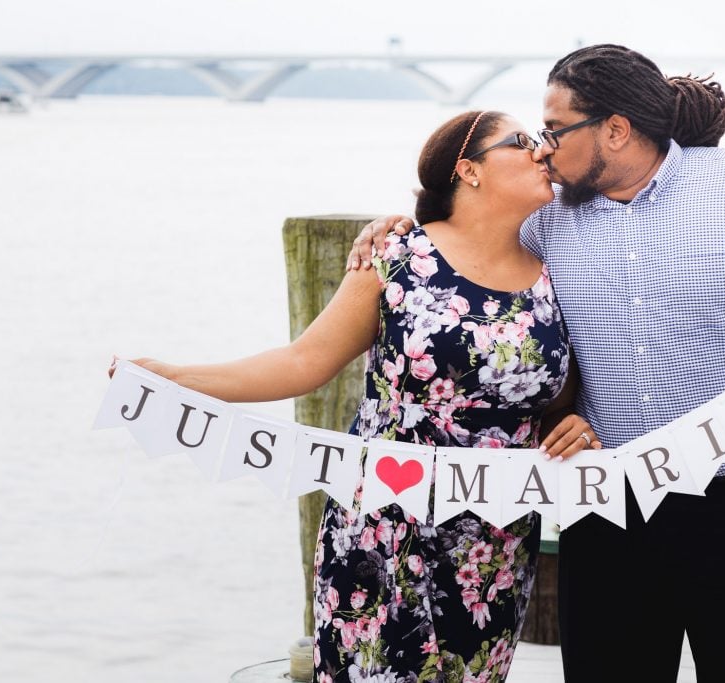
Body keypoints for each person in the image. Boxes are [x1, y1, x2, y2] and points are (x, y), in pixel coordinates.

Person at [348, 44, 725, 683]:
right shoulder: (543, 221)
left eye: (553, 130)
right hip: (610, 506)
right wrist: (400, 229)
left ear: (616, 129)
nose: (542, 149)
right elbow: (477, 260)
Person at [110, 110, 602, 683]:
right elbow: (303, 363)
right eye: (521, 141)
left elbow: (567, 392)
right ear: (468, 170)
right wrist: (179, 377)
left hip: (490, 537)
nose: (542, 150)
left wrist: (578, 423)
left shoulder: (555, 270)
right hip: (383, 520)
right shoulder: (395, 258)